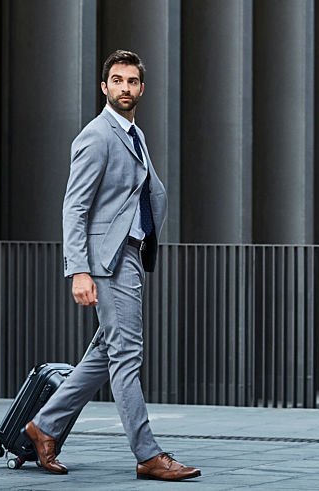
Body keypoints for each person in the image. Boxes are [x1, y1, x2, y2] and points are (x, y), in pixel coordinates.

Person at [24, 50, 200, 481]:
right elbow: (75, 207)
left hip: (130, 256)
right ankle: (147, 453)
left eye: (132, 81)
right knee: (127, 356)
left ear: (141, 88)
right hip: (108, 260)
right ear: (104, 88)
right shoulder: (97, 135)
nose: (125, 88)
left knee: (106, 352)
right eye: (117, 80)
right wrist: (78, 270)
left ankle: (43, 426)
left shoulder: (133, 134)